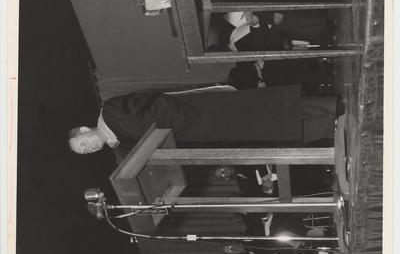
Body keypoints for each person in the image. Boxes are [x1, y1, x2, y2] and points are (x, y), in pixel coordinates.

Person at [68, 88, 338, 155]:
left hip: (196, 115)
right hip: (199, 135)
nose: (88, 148)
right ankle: (328, 126)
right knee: (265, 129)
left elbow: (155, 101)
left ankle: (330, 108)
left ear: (83, 129)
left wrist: (178, 125)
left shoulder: (112, 111)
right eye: (85, 151)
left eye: (83, 143)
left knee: (262, 109)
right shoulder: (121, 149)